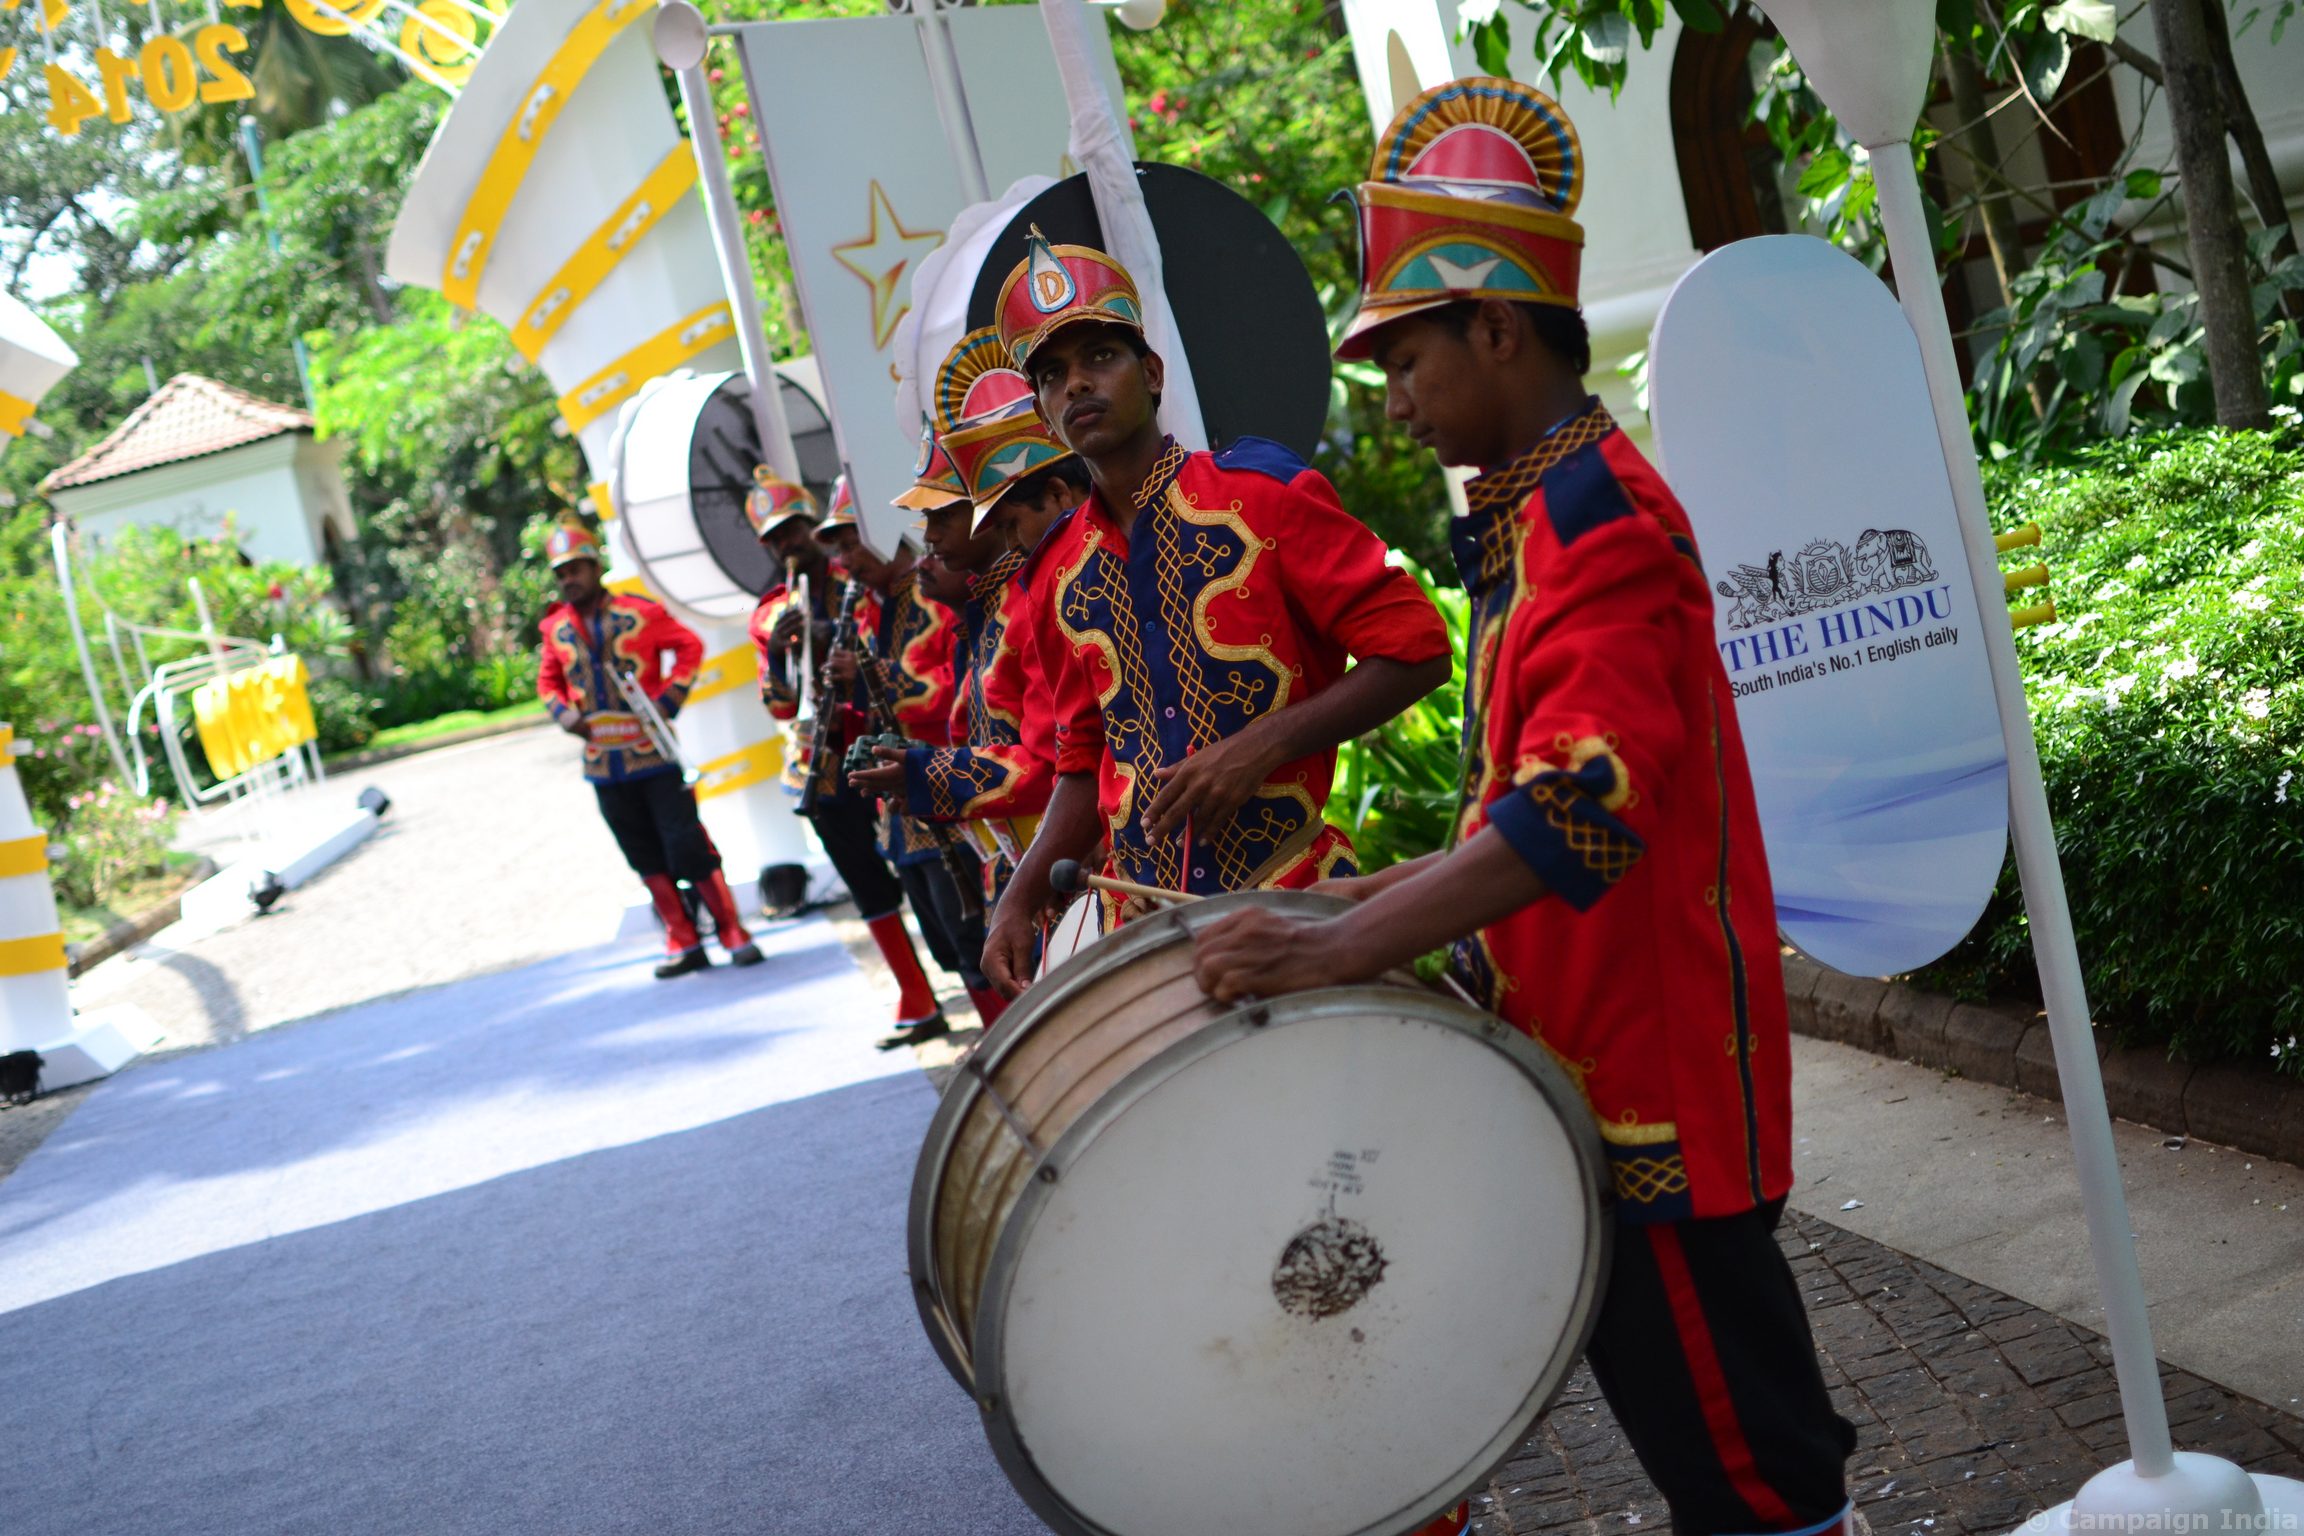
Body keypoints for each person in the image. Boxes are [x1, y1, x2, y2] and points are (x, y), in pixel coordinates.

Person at [1191, 78, 1857, 1536]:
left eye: (1406, 357)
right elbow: (1513, 807)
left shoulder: (1596, 530)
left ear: (1496, 329)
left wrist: (1333, 949)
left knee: (1751, 1475)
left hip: (1652, 1088)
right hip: (1590, 1071)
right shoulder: (1534, 524)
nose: (1394, 398)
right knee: (1714, 1453)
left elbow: (1582, 815)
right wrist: (1345, 898)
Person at [976, 228, 1454, 997]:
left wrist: (1261, 745)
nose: (1077, 384)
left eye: (1100, 356)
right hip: (1144, 933)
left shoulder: (1264, 494)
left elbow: (1418, 649)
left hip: (1293, 897)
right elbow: (1083, 757)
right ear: (1040, 409)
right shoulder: (1055, 574)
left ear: (1152, 373)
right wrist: (1019, 896)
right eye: (1053, 375)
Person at [849, 333, 1088, 926]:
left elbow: (1051, 764)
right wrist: (917, 764)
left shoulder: (1029, 605)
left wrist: (925, 772)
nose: (928, 538)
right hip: (1026, 865)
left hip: (1076, 866)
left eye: (941, 516)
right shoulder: (986, 614)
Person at [745, 470, 946, 1037]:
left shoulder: (859, 577)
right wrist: (781, 651)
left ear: (812, 526)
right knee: (865, 882)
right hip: (818, 761)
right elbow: (779, 704)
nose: (787, 544)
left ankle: (952, 972)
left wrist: (830, 632)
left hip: (872, 741)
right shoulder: (770, 612)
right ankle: (915, 996)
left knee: (920, 869)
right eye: (774, 538)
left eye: (793, 529)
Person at [536, 519, 761, 978]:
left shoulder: (640, 612)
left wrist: (668, 700)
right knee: (641, 853)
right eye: (561, 573)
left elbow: (689, 646)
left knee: (687, 843)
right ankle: (683, 938)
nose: (569, 579)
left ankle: (732, 931)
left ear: (595, 566)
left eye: (576, 569)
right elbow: (548, 682)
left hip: (654, 753)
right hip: (604, 764)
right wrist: (564, 714)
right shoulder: (555, 628)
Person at [812, 480, 992, 1040]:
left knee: (973, 933)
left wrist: (873, 674)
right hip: (902, 806)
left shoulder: (936, 591)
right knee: (944, 939)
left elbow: (957, 689)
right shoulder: (868, 611)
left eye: (851, 544)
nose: (844, 562)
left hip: (947, 788)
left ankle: (1009, 1044)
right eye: (839, 549)